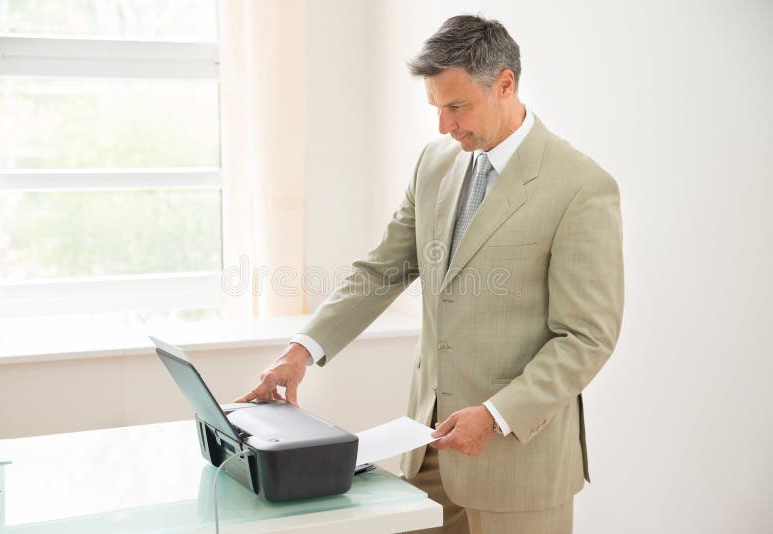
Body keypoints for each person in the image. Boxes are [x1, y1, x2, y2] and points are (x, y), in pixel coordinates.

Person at [236, 14, 624, 534]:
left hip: (517, 461)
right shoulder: (435, 163)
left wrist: (496, 415)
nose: (444, 126)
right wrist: (299, 351)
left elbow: (586, 337)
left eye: (456, 107)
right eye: (436, 108)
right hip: (427, 447)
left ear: (505, 84)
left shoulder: (580, 186)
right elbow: (382, 269)